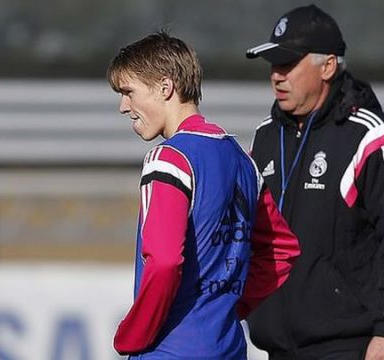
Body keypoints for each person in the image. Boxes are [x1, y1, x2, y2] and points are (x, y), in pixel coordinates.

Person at [245, 5, 384, 360]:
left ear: (327, 66)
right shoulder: (264, 139)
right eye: (273, 66)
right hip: (276, 347)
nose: (277, 77)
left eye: (288, 65)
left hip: (346, 346)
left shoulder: (373, 139)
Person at [107, 31, 300, 359]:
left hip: (170, 350)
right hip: (227, 348)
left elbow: (165, 262)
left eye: (128, 92)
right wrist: (228, 306)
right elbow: (282, 250)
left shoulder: (169, 158)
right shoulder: (242, 160)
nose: (123, 106)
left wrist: (132, 336)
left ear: (165, 88)